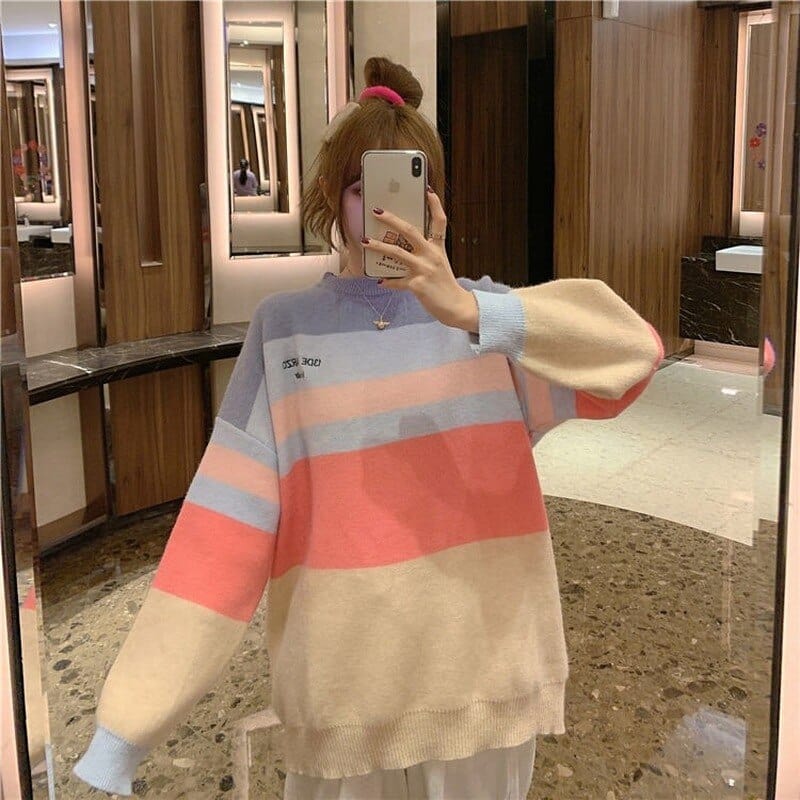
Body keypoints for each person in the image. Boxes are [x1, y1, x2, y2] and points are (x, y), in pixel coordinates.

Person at [73, 57, 663, 799]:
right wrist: (127, 728)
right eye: (362, 188)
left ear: (433, 198)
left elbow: (636, 356)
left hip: (485, 682)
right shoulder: (284, 331)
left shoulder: (489, 325)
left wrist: (470, 311)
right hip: (342, 695)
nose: (384, 210)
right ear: (333, 195)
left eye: (405, 184)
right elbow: (225, 527)